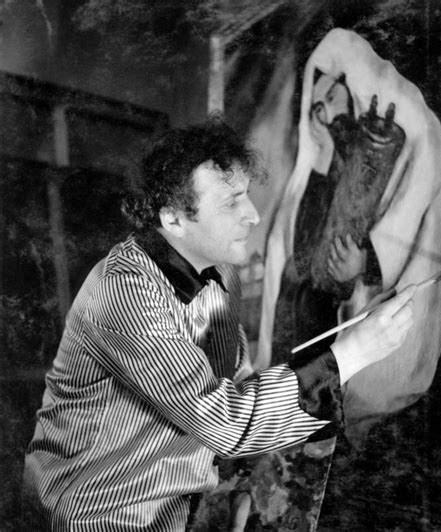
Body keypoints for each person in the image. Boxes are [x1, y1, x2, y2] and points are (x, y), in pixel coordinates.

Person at [23, 117, 414, 531]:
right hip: (98, 513)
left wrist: (241, 489)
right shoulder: (123, 289)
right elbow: (223, 420)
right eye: (231, 203)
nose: (253, 215)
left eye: (247, 196)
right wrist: (354, 352)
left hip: (178, 510)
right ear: (173, 219)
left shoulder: (220, 273)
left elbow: (237, 386)